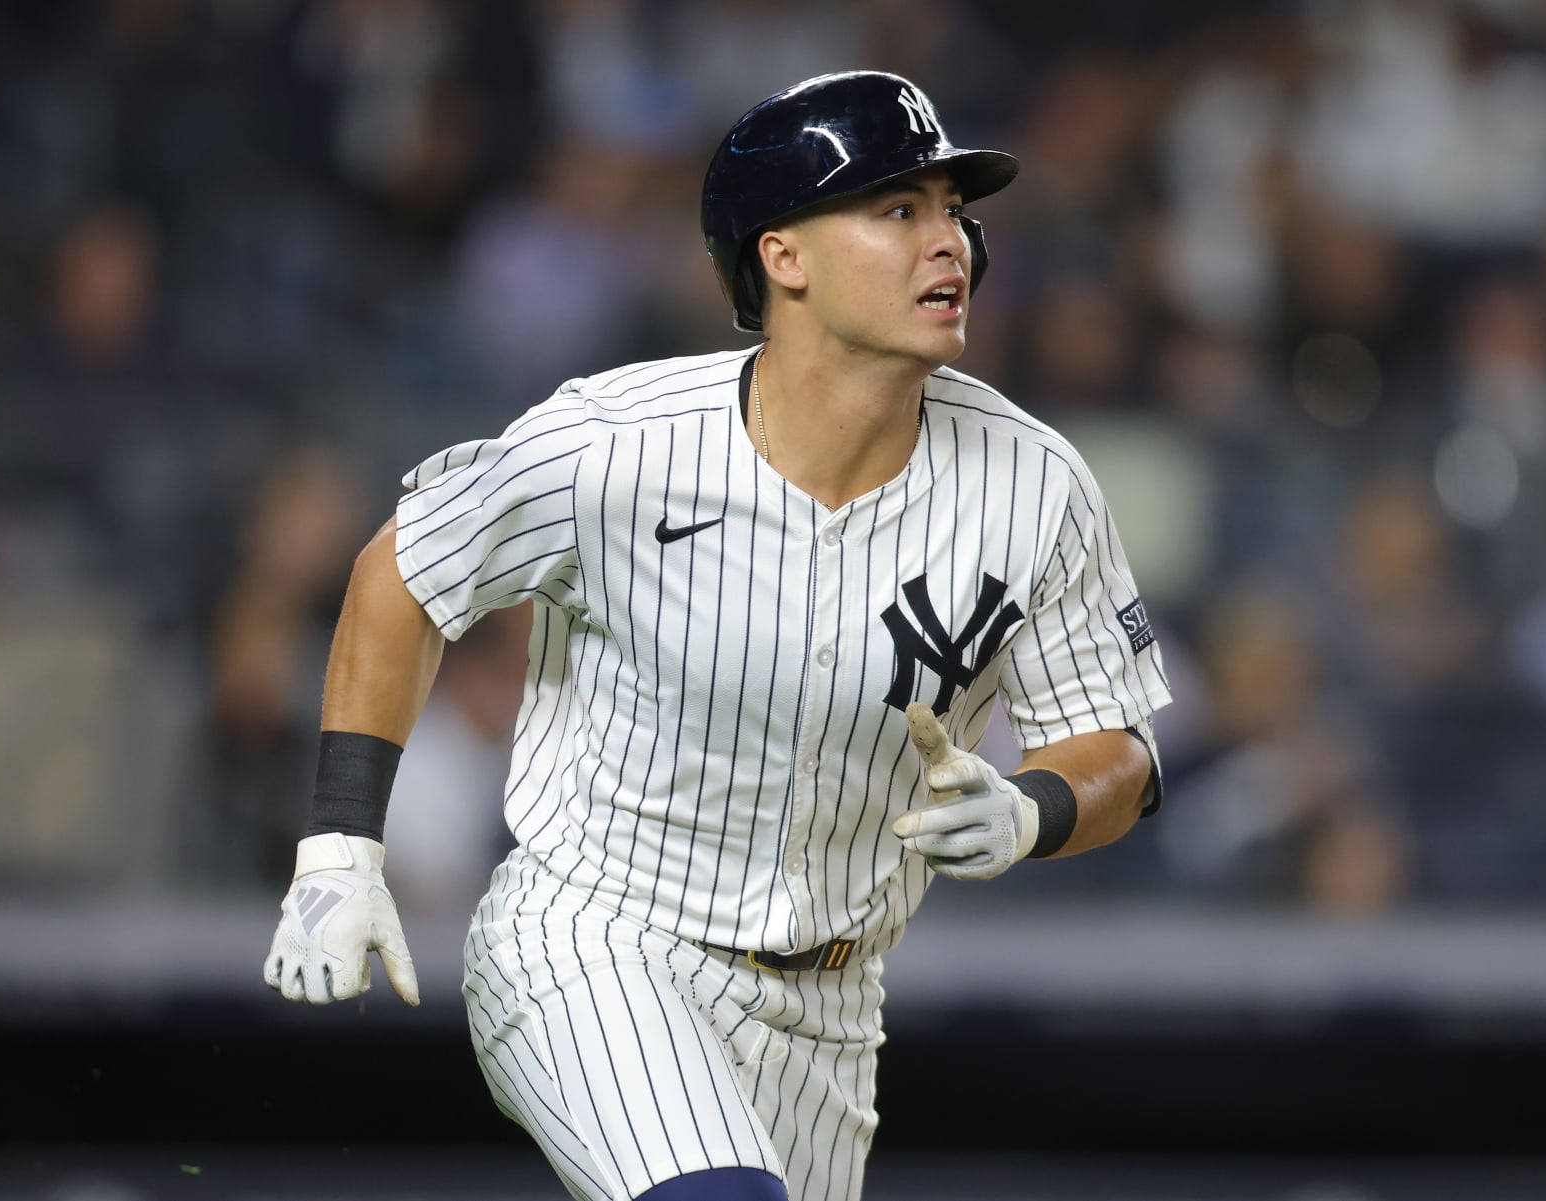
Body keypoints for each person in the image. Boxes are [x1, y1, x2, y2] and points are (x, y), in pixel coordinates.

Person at [263, 71, 1172, 1201]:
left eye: (954, 211)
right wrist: (342, 847)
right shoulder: (618, 444)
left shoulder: (1038, 484)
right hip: (599, 936)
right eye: (898, 210)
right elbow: (402, 573)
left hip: (832, 1010)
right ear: (781, 256)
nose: (950, 242)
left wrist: (1028, 809)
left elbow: (1121, 754)